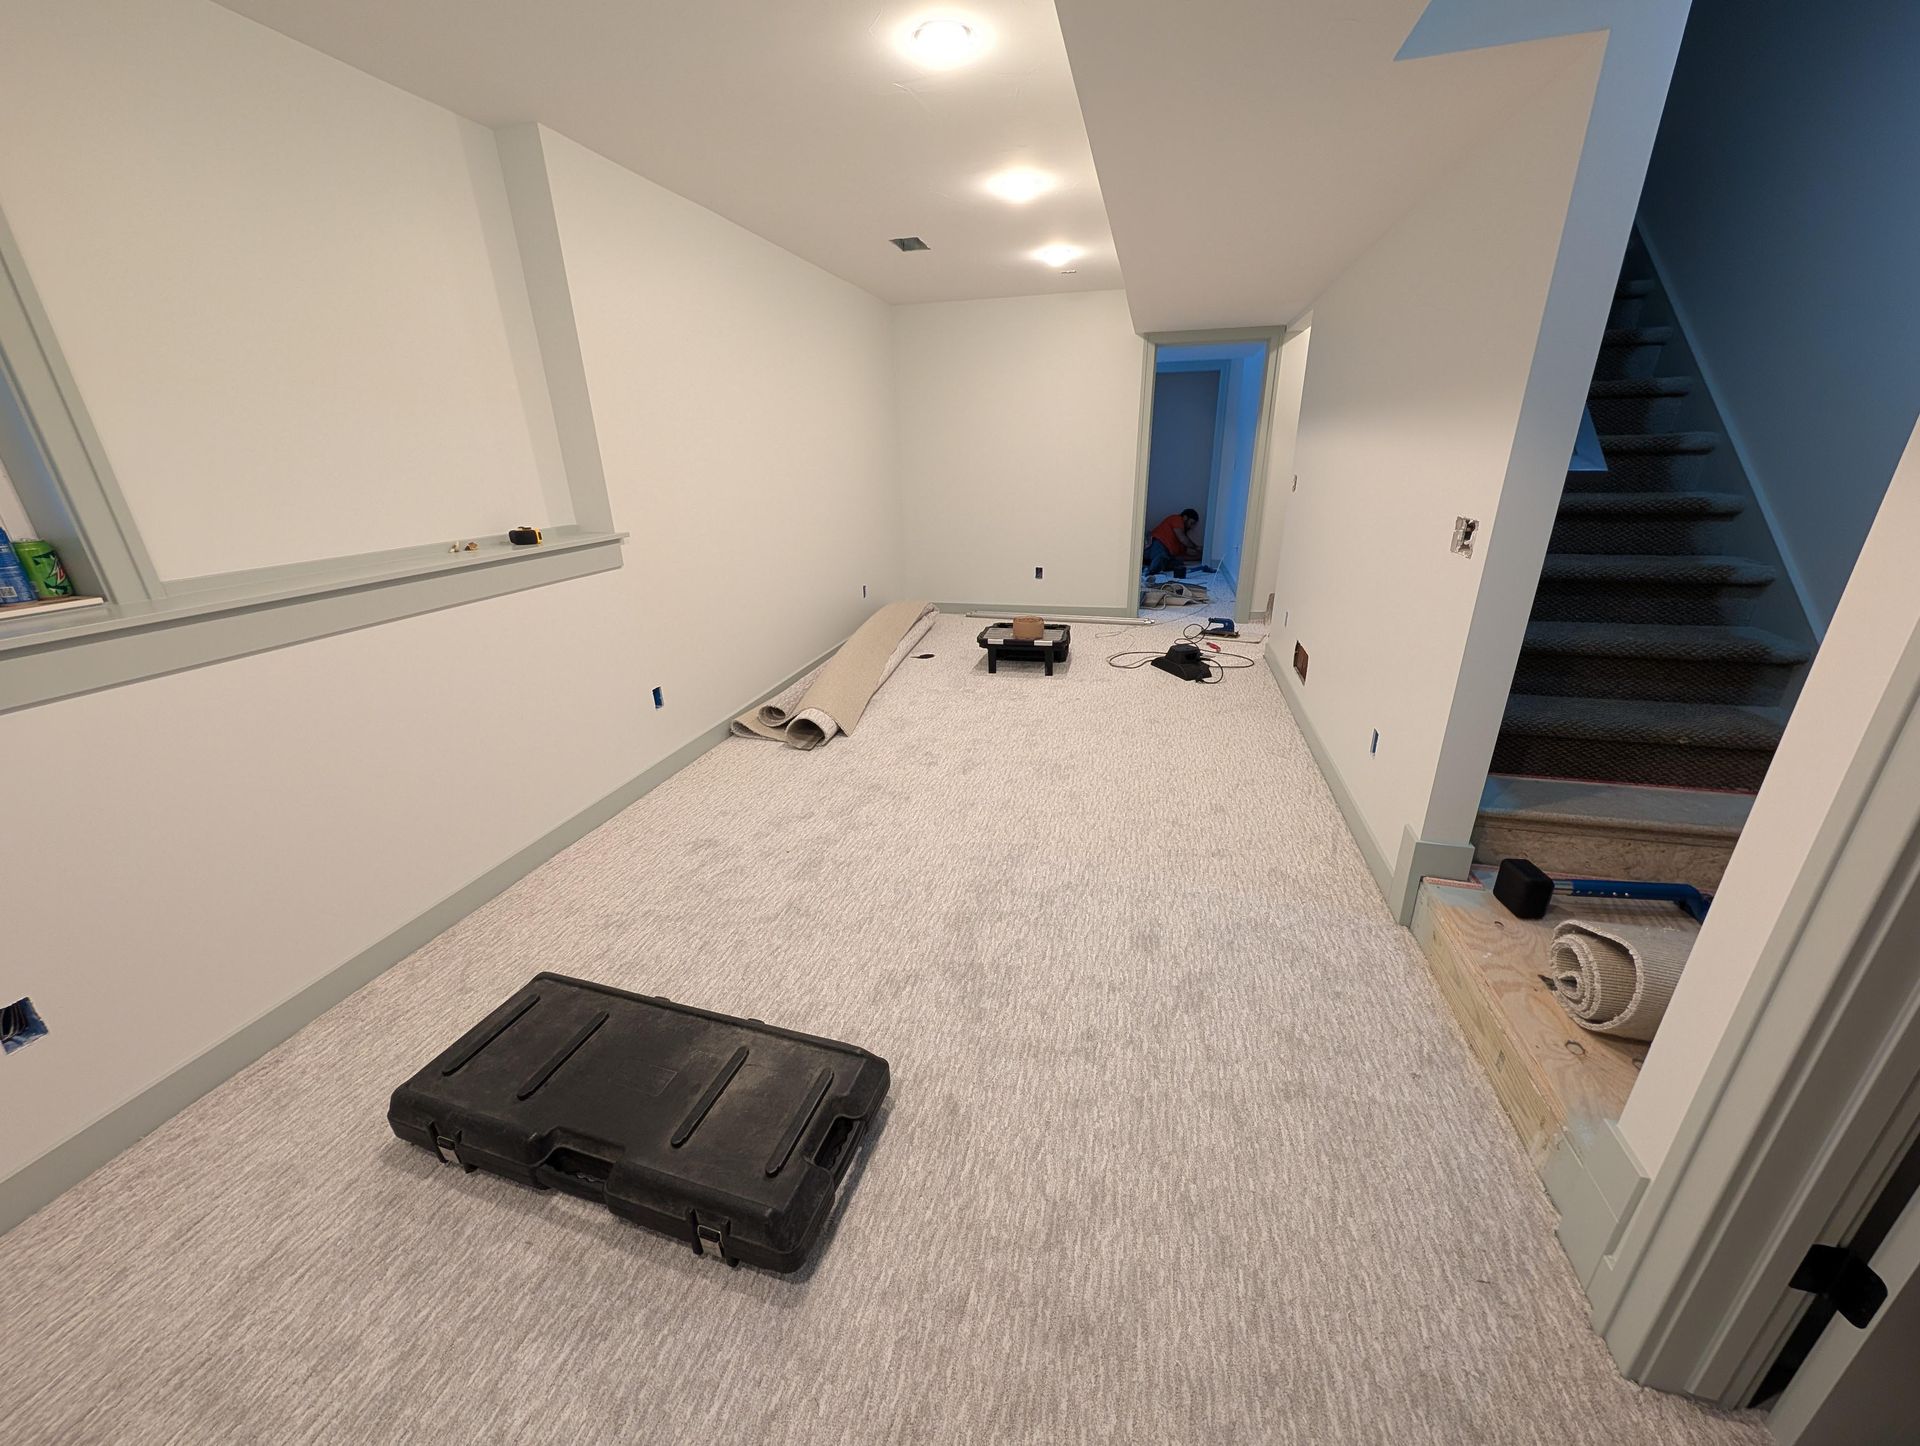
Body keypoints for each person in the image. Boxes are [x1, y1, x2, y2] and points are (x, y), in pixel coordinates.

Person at [1144, 508, 1202, 575]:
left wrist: (1198, 557)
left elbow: (1181, 556)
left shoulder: (1181, 542)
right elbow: (1183, 539)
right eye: (1191, 523)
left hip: (1166, 554)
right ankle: (1150, 574)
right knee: (1161, 556)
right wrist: (1197, 547)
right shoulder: (1177, 519)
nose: (1191, 527)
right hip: (1156, 544)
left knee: (1177, 563)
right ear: (1185, 517)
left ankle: (1148, 566)